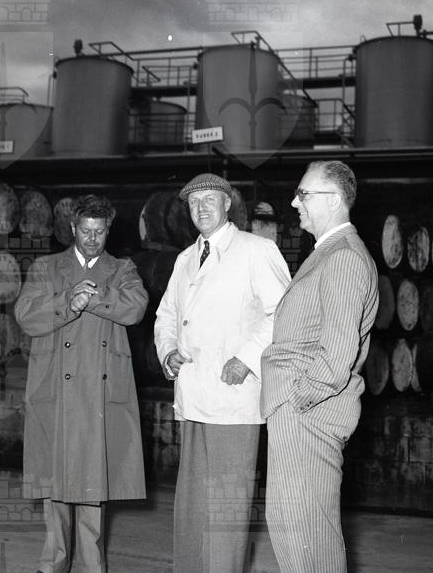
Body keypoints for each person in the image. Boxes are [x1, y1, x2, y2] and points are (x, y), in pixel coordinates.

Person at [154, 173, 291, 573]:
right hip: (194, 394)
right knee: (193, 504)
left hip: (233, 398)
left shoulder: (256, 250)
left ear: (228, 204)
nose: (201, 208)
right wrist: (168, 352)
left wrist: (246, 358)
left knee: (227, 505)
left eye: (209, 200)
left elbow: (284, 313)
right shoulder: (184, 258)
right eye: (193, 202)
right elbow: (166, 316)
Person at [14, 194, 148, 573]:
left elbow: (136, 307)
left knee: (93, 485)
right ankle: (52, 563)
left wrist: (94, 297)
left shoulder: (122, 269)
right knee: (55, 484)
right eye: (85, 231)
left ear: (108, 230)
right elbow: (25, 315)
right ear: (73, 228)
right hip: (55, 391)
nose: (92, 239)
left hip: (98, 394)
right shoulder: (46, 268)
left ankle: (92, 565)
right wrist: (66, 302)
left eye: (99, 232)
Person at [260, 160, 379, 573]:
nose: (295, 202)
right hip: (302, 411)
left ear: (333, 200)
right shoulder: (328, 253)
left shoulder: (343, 257)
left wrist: (297, 399)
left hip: (307, 412)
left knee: (304, 531)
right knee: (298, 528)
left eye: (303, 194)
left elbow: (338, 353)